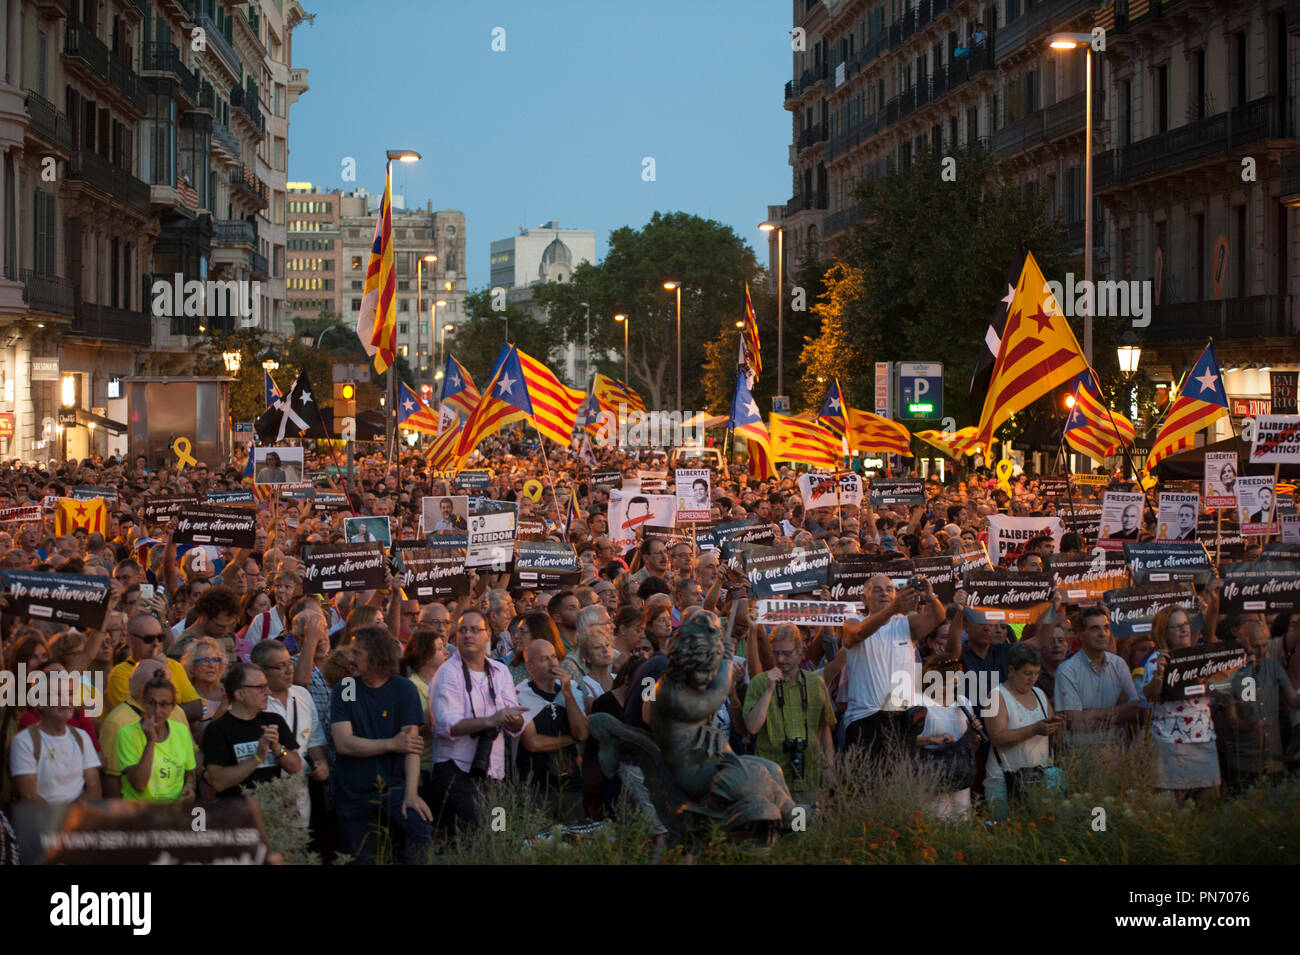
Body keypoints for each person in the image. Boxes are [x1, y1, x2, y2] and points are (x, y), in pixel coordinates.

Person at [331, 625, 431, 862]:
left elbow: (412, 747)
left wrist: (411, 794)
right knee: (361, 857)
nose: (350, 658)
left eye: (357, 653)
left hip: (393, 786)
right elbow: (344, 744)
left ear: (376, 656)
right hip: (352, 790)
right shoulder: (347, 688)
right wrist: (391, 744)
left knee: (420, 827)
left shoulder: (404, 689)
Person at [430, 610, 525, 831]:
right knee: (475, 832)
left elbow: (517, 724)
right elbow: (447, 726)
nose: (468, 635)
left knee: (499, 831)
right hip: (456, 770)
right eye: (462, 630)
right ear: (456, 637)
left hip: (493, 770)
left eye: (475, 630)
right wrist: (491, 720)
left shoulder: (500, 671)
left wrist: (514, 720)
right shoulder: (447, 673)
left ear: (488, 634)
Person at [841, 574, 953, 763]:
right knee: (864, 788)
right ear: (863, 599)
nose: (884, 593)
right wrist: (894, 607)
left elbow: (937, 618)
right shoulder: (853, 620)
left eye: (889, 589)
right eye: (877, 590)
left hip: (900, 719)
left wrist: (930, 597)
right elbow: (856, 634)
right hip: (865, 719)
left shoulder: (904, 624)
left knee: (899, 787)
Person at [742, 624, 835, 803]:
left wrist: (829, 768)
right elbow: (752, 727)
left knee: (801, 827)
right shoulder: (760, 683)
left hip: (807, 775)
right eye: (776, 653)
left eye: (787, 653)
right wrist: (769, 691)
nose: (781, 659)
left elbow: (825, 729)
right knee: (775, 828)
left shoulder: (816, 683)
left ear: (800, 651)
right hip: (770, 777)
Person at [1138, 606, 1219, 803]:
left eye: (1185, 625)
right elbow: (1149, 695)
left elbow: (1220, 685)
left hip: (1203, 736)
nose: (1183, 630)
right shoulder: (1156, 661)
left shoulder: (1201, 656)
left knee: (1211, 796)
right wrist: (1160, 674)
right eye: (1176, 627)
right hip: (1170, 740)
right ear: (1164, 632)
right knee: (1172, 802)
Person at [515, 638, 589, 825]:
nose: (552, 663)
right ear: (530, 666)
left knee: (577, 842)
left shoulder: (570, 690)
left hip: (570, 784)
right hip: (536, 786)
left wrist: (567, 694)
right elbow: (533, 743)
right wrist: (570, 739)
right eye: (544, 659)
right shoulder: (521, 695)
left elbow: (582, 734)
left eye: (554, 657)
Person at [202, 661, 301, 800]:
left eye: (266, 686)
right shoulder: (218, 729)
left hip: (274, 812)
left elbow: (296, 766)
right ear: (239, 694)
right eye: (260, 687)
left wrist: (278, 749)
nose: (268, 692)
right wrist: (257, 757)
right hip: (240, 816)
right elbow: (218, 782)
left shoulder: (274, 721)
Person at [254, 640, 327, 823]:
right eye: (280, 666)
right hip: (265, 799)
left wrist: (320, 762)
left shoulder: (302, 695)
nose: (289, 670)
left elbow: (314, 741)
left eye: (289, 663)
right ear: (262, 671)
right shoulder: (252, 703)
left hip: (300, 800)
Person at [983, 643, 1061, 815]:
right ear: (1011, 670)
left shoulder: (1039, 694)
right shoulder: (995, 696)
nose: (1032, 679)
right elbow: (996, 738)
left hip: (1039, 777)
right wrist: (1034, 729)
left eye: (1036, 673)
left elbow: (1050, 725)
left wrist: (1056, 724)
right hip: (1005, 780)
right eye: (1027, 673)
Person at [8, 668, 102, 804]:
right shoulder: (24, 742)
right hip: (42, 822)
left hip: (78, 820)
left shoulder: (81, 737)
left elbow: (94, 788)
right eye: (57, 695)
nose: (66, 700)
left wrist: (73, 819)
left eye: (69, 694)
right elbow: (29, 797)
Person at [1053, 605, 1141, 741]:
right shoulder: (1067, 670)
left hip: (1117, 751)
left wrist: (1088, 714)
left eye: (1106, 628)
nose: (1102, 634)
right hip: (1082, 755)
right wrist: (1118, 711)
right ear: (1080, 634)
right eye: (1095, 629)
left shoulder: (1119, 664)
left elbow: (1134, 710)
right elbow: (1076, 723)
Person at [105, 613, 203, 722]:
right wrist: (159, 670)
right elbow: (139, 717)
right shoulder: (120, 674)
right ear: (130, 640)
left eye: (160, 638)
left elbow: (197, 709)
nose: (156, 644)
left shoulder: (173, 665)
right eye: (149, 639)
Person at [117, 677, 197, 803]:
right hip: (141, 814)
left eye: (164, 704)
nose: (157, 711)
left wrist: (190, 786)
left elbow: (189, 772)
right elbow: (139, 785)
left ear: (173, 707)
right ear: (143, 704)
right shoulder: (126, 734)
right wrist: (150, 741)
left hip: (173, 812)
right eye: (152, 703)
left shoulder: (181, 731)